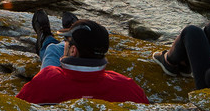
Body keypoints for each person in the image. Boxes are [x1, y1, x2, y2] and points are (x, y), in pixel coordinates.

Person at [17, 18, 149, 105]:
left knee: (53, 50)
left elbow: (16, 107)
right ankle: (72, 31)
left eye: (67, 41)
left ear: (73, 50)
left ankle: (46, 39)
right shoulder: (127, 87)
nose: (66, 44)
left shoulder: (46, 80)